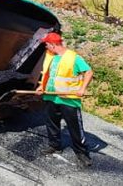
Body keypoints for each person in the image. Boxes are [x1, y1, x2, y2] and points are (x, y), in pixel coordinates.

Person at [36, 32, 94, 168]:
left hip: (69, 99)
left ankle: (82, 153)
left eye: (46, 44)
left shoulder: (74, 58)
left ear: (53, 44)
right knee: (51, 124)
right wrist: (41, 87)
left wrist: (82, 88)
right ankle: (54, 146)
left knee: (75, 127)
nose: (45, 46)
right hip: (51, 96)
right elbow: (48, 75)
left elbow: (89, 72)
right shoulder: (51, 57)